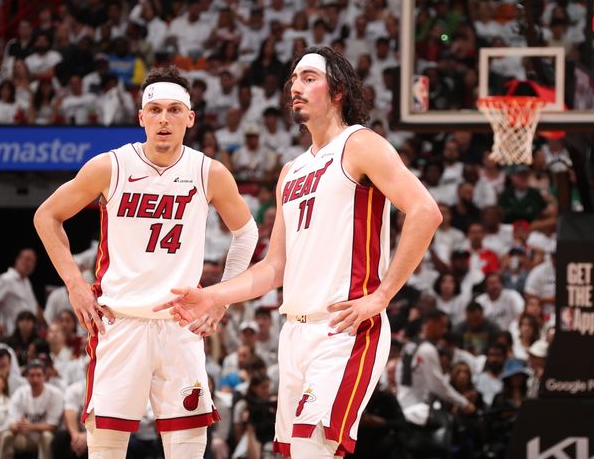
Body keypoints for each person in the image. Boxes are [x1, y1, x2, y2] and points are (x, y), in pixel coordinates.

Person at [157, 46, 443, 457]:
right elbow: (274, 268)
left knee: (313, 449)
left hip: (345, 328)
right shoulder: (290, 171)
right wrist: (212, 295)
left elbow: (424, 212)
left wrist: (381, 296)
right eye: (294, 79)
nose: (296, 86)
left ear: (338, 89)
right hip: (294, 332)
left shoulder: (360, 144)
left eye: (309, 78)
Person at [33, 65, 257, 459]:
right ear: (141, 117)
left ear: (190, 117)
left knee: (187, 445)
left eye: (174, 110)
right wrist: (75, 285)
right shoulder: (111, 166)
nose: (164, 119)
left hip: (180, 324)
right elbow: (46, 216)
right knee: (105, 447)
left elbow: (247, 233)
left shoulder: (209, 172)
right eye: (155, 110)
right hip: (120, 321)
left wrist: (221, 299)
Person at [0, 361, 63, 459]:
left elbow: (53, 426)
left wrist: (32, 426)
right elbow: (11, 423)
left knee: (47, 436)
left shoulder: (55, 394)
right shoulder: (20, 393)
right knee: (6, 435)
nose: (35, 379)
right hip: (24, 437)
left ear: (45, 377)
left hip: (43, 438)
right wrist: (17, 426)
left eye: (39, 375)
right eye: (32, 375)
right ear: (27, 377)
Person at [0, 248, 46, 337]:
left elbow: (35, 307)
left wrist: (47, 326)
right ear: (18, 260)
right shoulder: (6, 279)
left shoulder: (27, 282)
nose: (29, 264)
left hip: (30, 333)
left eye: (33, 261)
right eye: (27, 259)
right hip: (12, 332)